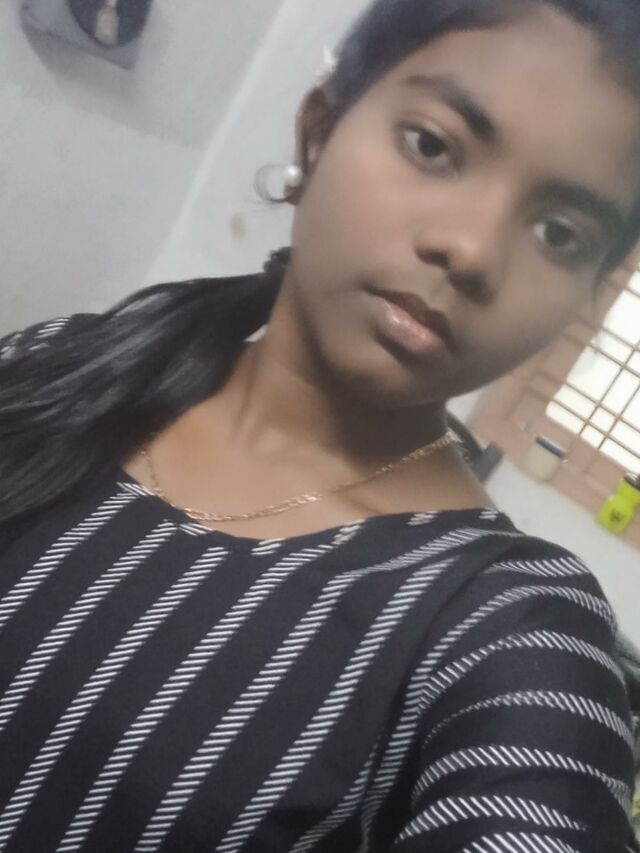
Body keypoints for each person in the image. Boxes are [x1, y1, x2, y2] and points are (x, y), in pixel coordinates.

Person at [0, 0, 639, 849]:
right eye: (433, 145)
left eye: (559, 232)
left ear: (587, 296)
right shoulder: (65, 367)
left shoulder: (510, 628)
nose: (473, 248)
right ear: (319, 131)